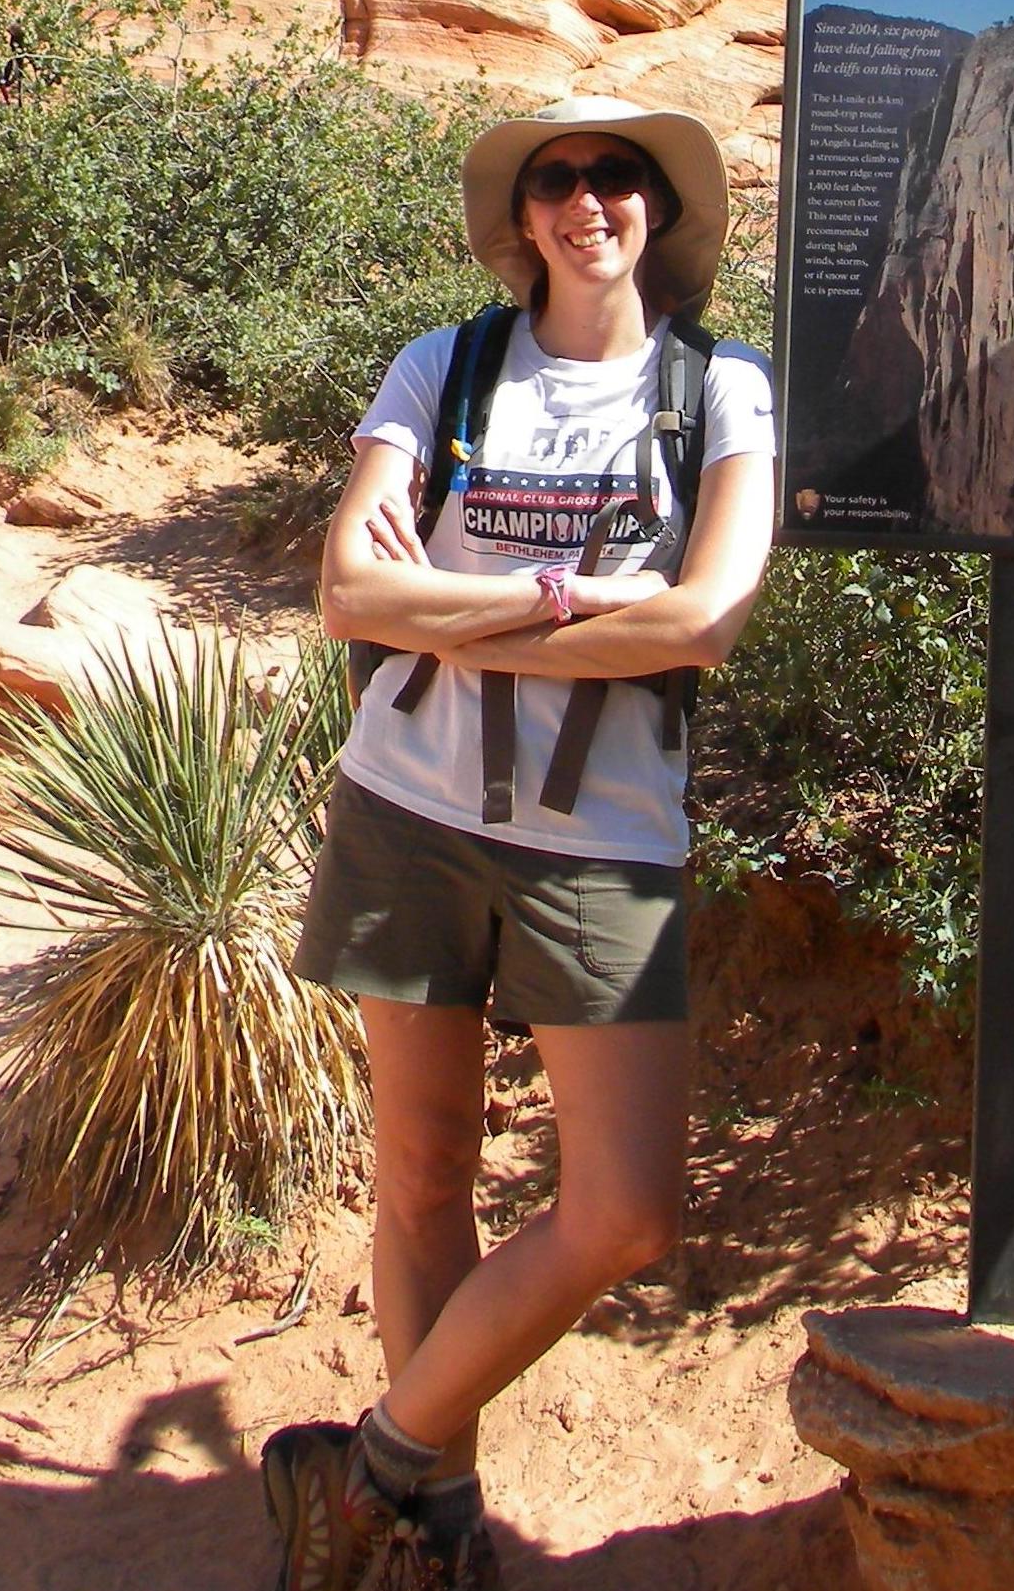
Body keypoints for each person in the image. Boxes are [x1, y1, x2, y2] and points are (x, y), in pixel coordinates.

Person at [264, 96, 777, 1591]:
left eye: (618, 176)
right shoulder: (447, 366)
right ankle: (428, 1525)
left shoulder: (717, 389)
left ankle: (368, 1457)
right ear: (525, 215)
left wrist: (472, 607)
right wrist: (576, 608)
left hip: (603, 840)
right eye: (558, 179)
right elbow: (348, 594)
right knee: (425, 1168)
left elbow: (708, 618)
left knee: (622, 1209)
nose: (587, 200)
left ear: (659, 209)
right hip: (408, 807)